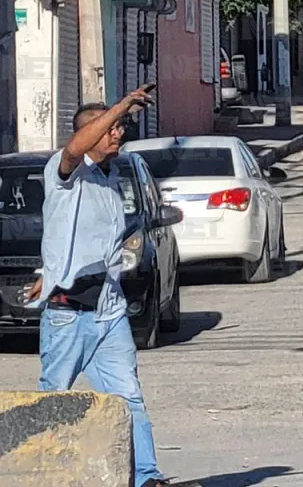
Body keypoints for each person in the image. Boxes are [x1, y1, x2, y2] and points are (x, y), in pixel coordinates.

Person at [23, 86, 169, 487]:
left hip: (108, 310)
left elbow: (75, 237)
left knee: (128, 397)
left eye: (120, 127)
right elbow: (75, 150)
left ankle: (147, 477)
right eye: (110, 128)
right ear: (88, 134)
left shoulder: (110, 178)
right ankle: (40, 475)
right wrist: (120, 105)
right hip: (68, 314)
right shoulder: (65, 172)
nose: (117, 133)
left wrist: (49, 267)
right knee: (55, 399)